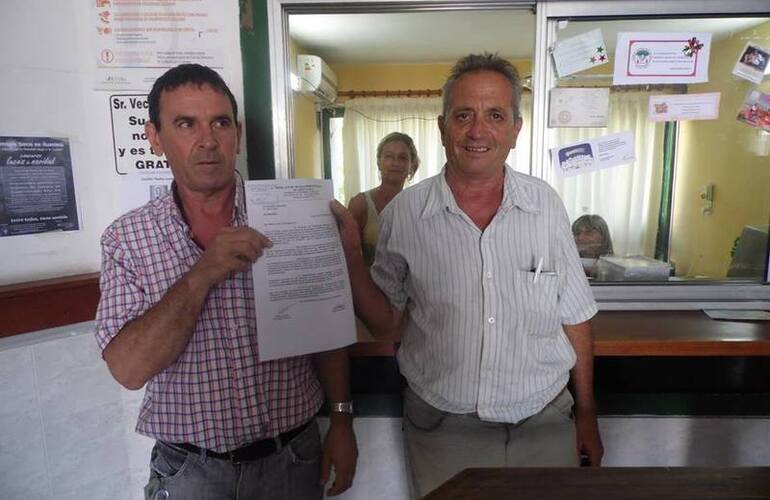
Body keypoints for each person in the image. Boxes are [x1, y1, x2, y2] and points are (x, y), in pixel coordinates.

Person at [331, 53, 602, 497]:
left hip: (545, 423)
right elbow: (387, 323)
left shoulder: (546, 205)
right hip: (443, 430)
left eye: (495, 115)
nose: (478, 131)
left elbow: (575, 315)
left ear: (516, 129)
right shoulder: (405, 215)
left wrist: (588, 413)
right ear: (442, 128)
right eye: (463, 116)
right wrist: (348, 255)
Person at [94, 64, 356, 500]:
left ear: (236, 133)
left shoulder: (290, 215)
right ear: (155, 138)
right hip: (191, 473)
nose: (207, 140)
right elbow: (128, 369)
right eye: (185, 124)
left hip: (293, 458)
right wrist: (202, 274)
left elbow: (326, 330)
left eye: (220, 123)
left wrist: (343, 421)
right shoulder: (127, 238)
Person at [347, 132, 420, 266]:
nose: (395, 163)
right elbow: (348, 257)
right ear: (379, 163)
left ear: (411, 165)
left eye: (403, 158)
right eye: (389, 156)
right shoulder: (361, 204)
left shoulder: (419, 206)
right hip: (366, 285)